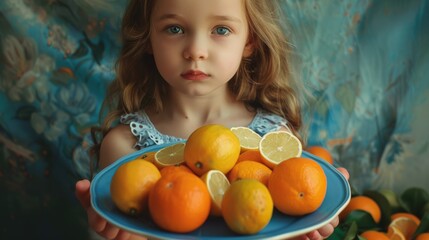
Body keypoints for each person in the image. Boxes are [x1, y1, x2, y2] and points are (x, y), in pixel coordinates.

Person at [75, 0, 350, 239]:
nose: (196, 50)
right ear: (148, 38)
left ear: (250, 41)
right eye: (175, 29)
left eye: (221, 30)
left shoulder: (273, 141)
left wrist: (305, 228)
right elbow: (118, 229)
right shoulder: (124, 147)